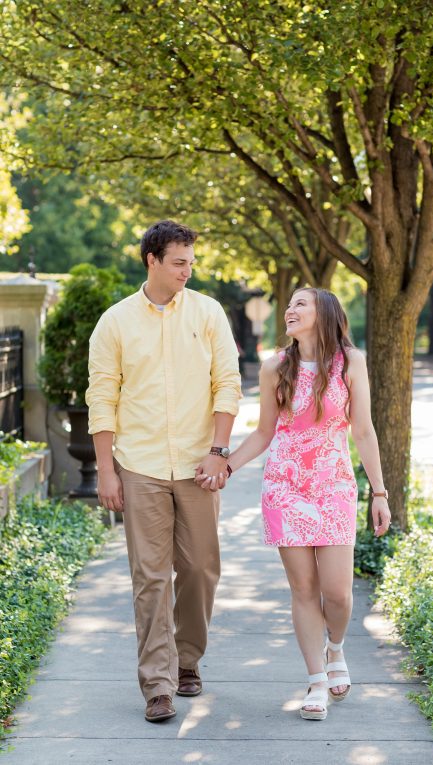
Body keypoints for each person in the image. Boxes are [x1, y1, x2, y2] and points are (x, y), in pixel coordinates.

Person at [87, 220, 241, 723]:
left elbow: (228, 384)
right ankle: (158, 684)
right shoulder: (115, 322)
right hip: (140, 464)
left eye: (191, 262)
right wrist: (106, 471)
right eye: (179, 262)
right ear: (151, 259)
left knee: (199, 569)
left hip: (199, 464)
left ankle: (188, 660)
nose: (187, 271)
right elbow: (102, 399)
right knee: (150, 577)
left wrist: (219, 451)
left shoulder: (208, 312)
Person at [220, 287, 390, 720]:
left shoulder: (350, 362)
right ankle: (315, 679)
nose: (290, 310)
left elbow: (364, 430)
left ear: (324, 313)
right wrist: (227, 467)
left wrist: (380, 491)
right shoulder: (275, 366)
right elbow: (262, 432)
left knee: (337, 593)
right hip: (285, 486)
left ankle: (335, 647)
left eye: (301, 304)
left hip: (333, 486)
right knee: (303, 589)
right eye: (289, 305)